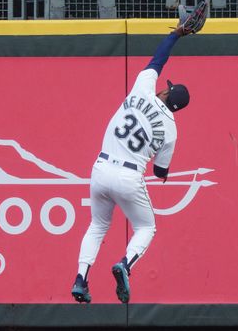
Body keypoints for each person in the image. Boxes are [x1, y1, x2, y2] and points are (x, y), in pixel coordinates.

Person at [71, 16, 196, 305]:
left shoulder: (142, 87)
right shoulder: (172, 130)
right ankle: (124, 265)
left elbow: (158, 59)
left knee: (97, 226)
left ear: (165, 92)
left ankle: (80, 279)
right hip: (129, 177)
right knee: (146, 228)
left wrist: (177, 34)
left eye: (165, 87)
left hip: (101, 169)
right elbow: (160, 171)